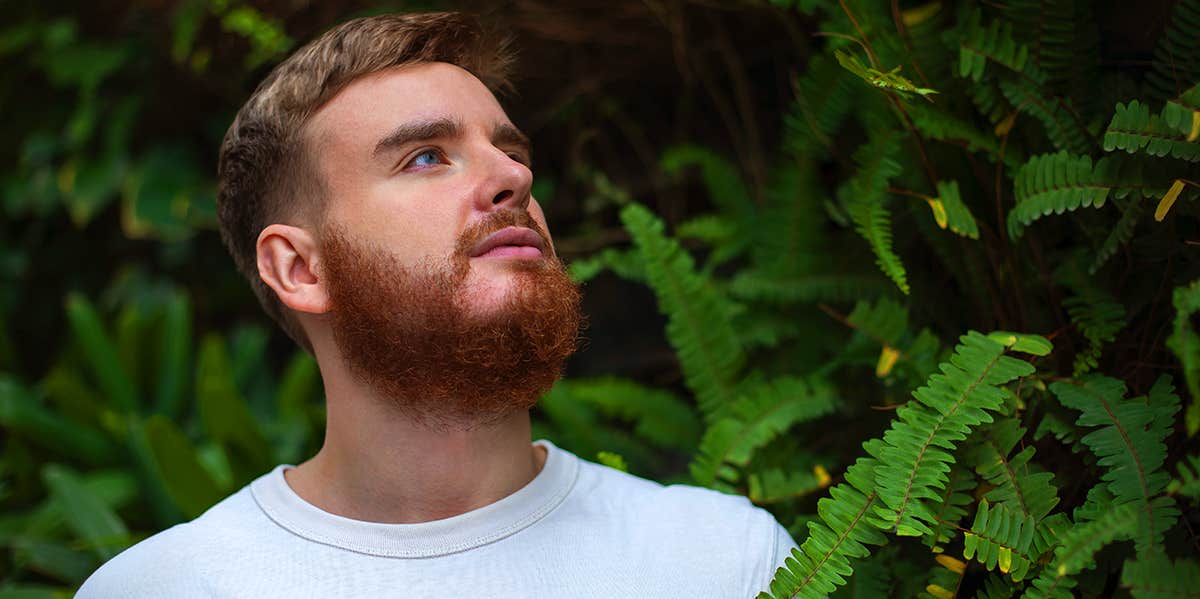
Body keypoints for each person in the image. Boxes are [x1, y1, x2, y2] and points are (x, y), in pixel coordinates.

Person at [77, 12, 797, 598]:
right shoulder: (161, 588)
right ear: (299, 267)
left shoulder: (726, 561)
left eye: (510, 150)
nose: (512, 175)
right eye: (426, 156)